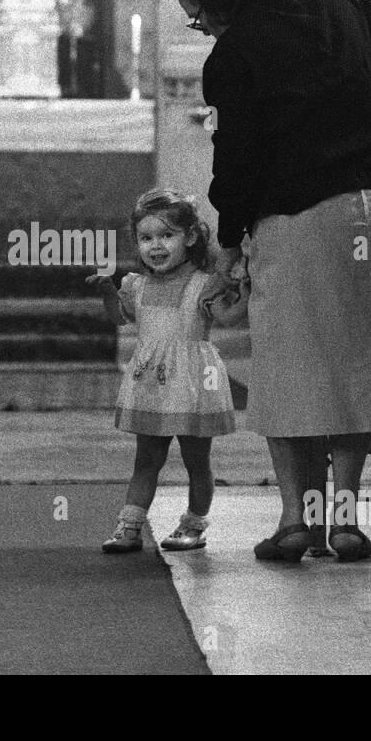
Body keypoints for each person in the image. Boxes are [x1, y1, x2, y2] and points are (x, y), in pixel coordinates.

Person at [166, 0, 371, 563]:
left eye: (197, 11)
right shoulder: (337, 0)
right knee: (358, 360)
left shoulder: (233, 53)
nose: (199, 24)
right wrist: (359, 60)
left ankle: (297, 523)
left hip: (299, 210)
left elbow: (236, 160)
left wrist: (230, 246)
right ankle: (343, 519)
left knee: (291, 366)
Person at [86, 188, 247, 554]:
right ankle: (130, 526)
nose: (155, 246)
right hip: (151, 386)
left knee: (196, 461)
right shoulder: (137, 285)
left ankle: (193, 524)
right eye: (146, 238)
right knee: (146, 460)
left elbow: (228, 318)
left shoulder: (203, 283)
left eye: (166, 236)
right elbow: (120, 319)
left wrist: (246, 291)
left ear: (189, 237)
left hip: (192, 385)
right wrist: (109, 292)